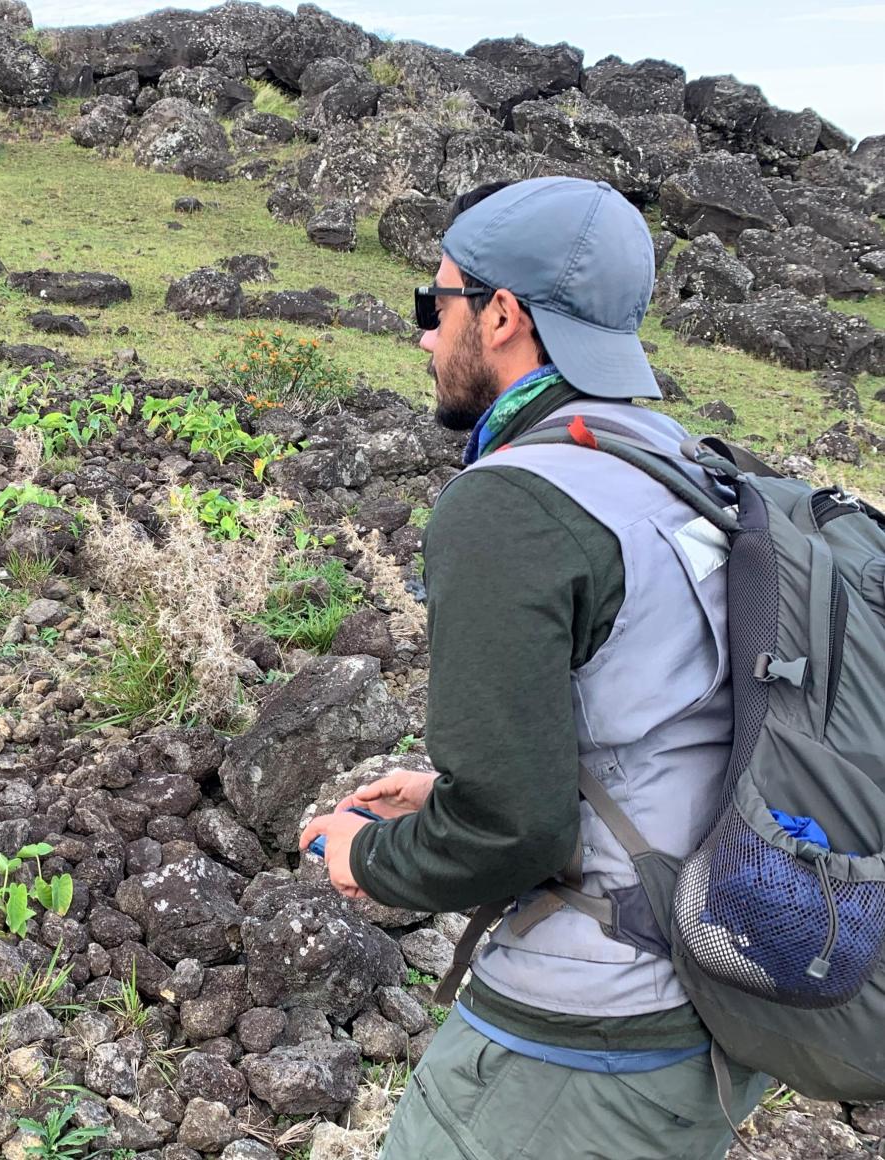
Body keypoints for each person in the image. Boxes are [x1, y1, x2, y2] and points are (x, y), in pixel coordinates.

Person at [298, 178, 771, 1159]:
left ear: (502, 313)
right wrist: (449, 785)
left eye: (437, 305)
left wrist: (366, 856)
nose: (425, 335)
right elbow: (670, 714)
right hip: (731, 973)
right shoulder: (680, 466)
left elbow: (508, 830)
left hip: (594, 1021)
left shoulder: (511, 501)